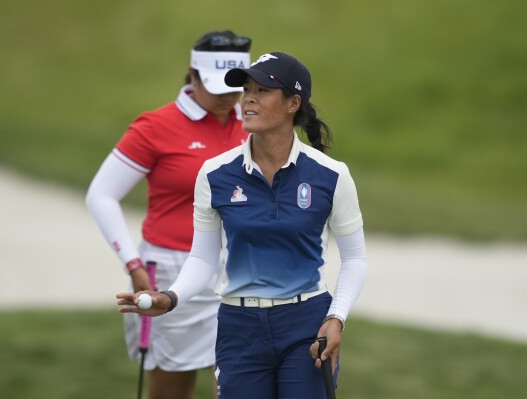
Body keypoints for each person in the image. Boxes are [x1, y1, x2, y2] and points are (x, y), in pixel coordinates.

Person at [116, 51, 368, 398]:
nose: (247, 98)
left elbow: (355, 258)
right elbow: (204, 258)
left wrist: (336, 317)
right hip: (239, 327)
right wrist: (170, 297)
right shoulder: (215, 173)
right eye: (246, 89)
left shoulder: (331, 175)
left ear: (293, 102)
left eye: (262, 90)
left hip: (307, 323)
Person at [86, 31, 252, 399]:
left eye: (237, 86)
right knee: (171, 393)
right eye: (218, 86)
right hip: (172, 270)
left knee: (240, 386)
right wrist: (133, 264)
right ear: (192, 75)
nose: (229, 96)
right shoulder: (156, 127)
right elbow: (102, 194)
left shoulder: (254, 123)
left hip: (243, 269)